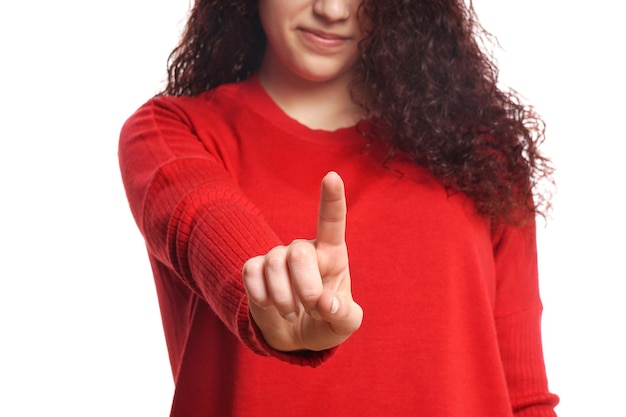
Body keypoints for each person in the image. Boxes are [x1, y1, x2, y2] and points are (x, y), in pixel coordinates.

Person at [118, 0, 559, 415]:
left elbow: (525, 399)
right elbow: (202, 218)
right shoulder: (170, 131)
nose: (331, 10)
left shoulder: (482, 157)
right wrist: (276, 293)